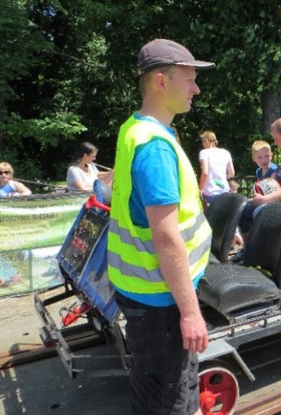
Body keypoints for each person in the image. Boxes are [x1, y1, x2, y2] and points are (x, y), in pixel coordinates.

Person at [107, 38, 214, 415]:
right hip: (161, 302)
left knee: (153, 387)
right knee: (167, 402)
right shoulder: (154, 147)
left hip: (143, 293)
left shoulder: (133, 129)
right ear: (160, 81)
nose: (196, 89)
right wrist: (190, 312)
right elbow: (166, 236)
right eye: (189, 79)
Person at [198, 130, 235, 207]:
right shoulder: (226, 152)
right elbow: (231, 173)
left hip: (210, 192)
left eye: (202, 141)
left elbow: (205, 173)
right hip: (224, 190)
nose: (202, 144)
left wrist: (200, 188)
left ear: (205, 141)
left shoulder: (204, 153)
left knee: (209, 217)